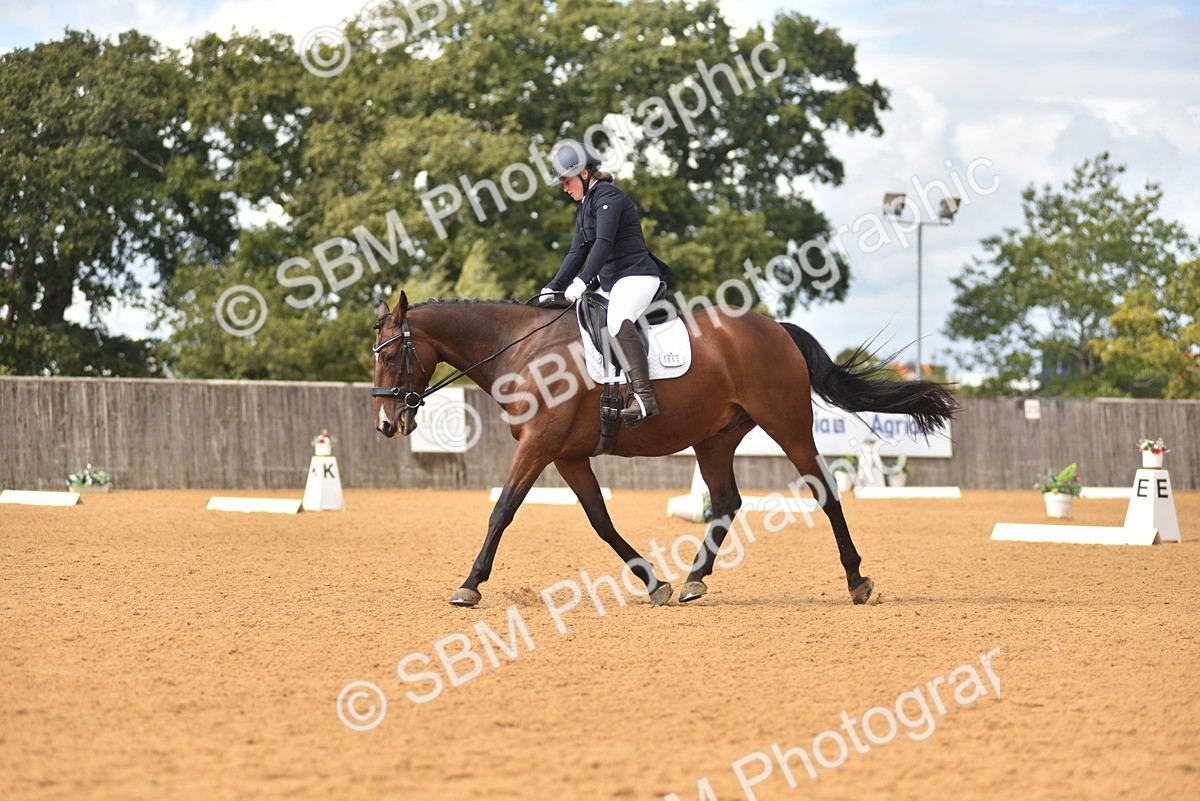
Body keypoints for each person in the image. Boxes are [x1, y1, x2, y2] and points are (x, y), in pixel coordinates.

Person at [541, 140, 666, 426]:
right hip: (610, 280)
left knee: (617, 318)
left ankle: (644, 397)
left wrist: (583, 280)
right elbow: (577, 251)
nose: (565, 188)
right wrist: (553, 286)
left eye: (566, 181)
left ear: (585, 173)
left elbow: (603, 243)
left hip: (636, 275)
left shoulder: (608, 195)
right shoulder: (584, 206)